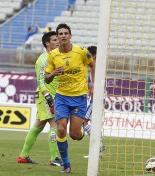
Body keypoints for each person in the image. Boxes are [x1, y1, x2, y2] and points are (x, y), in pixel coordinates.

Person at [45, 23, 95, 173]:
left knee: (74, 134)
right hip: (61, 97)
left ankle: (80, 131)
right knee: (60, 129)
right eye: (60, 34)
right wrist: (54, 73)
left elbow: (93, 65)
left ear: (70, 36)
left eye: (66, 33)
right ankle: (66, 165)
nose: (63, 36)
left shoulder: (81, 52)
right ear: (58, 37)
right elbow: (47, 79)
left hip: (79, 97)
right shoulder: (53, 56)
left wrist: (93, 85)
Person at [18, 31, 63, 166]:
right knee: (55, 125)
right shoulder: (43, 59)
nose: (58, 41)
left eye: (57, 39)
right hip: (46, 96)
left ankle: (23, 156)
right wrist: (48, 96)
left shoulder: (55, 57)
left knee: (38, 126)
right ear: (47, 43)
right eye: (55, 40)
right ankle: (55, 158)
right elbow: (40, 81)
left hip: (52, 95)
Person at [83, 46, 105, 159]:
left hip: (97, 98)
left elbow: (98, 82)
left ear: (94, 56)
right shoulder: (97, 65)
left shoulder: (95, 65)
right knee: (93, 123)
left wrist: (92, 89)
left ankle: (99, 146)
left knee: (84, 121)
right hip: (97, 98)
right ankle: (97, 151)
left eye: (89, 55)